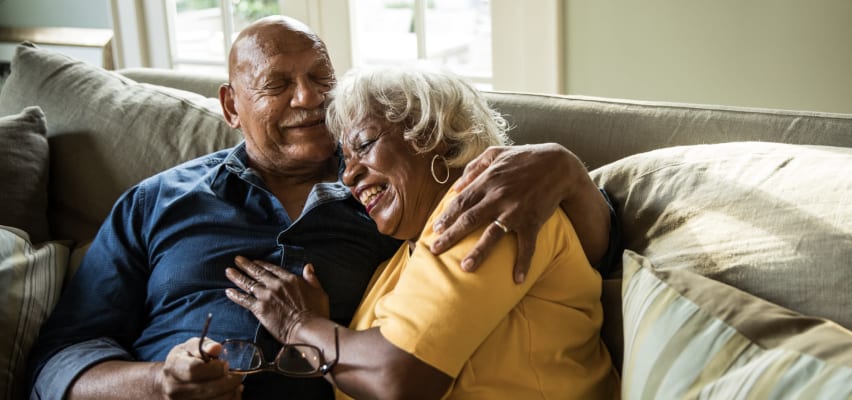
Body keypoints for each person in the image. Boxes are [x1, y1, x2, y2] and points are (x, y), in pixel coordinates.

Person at [27, 15, 615, 400]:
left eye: (319, 79)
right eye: (278, 84)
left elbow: (587, 254)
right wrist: (159, 381)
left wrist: (566, 171)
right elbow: (59, 359)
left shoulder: (399, 195)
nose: (307, 98)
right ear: (231, 105)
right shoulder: (155, 204)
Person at [224, 65, 620, 398]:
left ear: (431, 135)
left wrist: (299, 324)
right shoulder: (392, 269)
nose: (348, 175)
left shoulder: (490, 207)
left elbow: (398, 376)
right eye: (344, 159)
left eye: (363, 145)